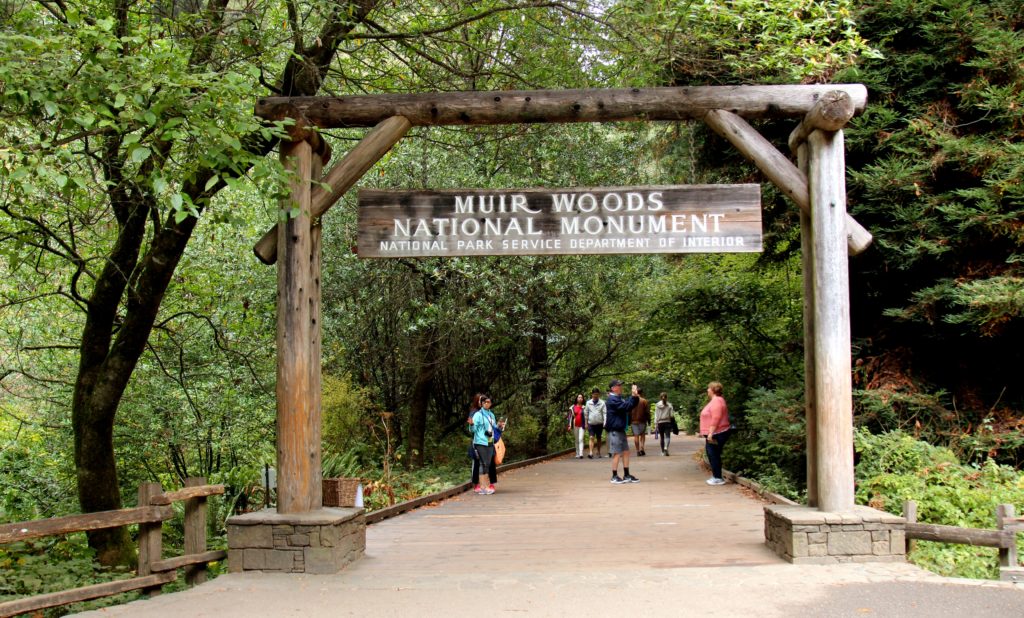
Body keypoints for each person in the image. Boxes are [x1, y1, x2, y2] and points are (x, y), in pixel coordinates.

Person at [605, 379, 639, 484]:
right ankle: (614, 476)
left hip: (620, 429)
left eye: (620, 385)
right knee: (617, 453)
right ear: (613, 388)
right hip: (615, 430)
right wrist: (633, 396)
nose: (621, 387)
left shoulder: (618, 398)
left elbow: (629, 404)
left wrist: (635, 396)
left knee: (625, 452)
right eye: (619, 385)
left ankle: (627, 475)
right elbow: (625, 407)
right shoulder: (612, 399)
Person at [700, 381, 732, 486]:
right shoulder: (716, 400)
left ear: (713, 390)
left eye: (709, 388)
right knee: (713, 454)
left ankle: (718, 477)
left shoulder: (717, 401)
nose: (707, 390)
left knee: (713, 455)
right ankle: (716, 476)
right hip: (716, 433)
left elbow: (716, 417)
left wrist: (710, 433)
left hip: (717, 433)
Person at [472, 395, 500, 494]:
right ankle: (484, 487)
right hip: (480, 442)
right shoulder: (478, 415)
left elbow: (495, 428)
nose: (487, 404)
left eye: (489, 402)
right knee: (482, 464)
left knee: (487, 464)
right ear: (482, 403)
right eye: (485, 402)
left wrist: (500, 427)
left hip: (490, 441)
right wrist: (471, 425)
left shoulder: (491, 415)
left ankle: (485, 486)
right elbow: (472, 430)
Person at [584, 388, 606, 459]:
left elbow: (605, 413)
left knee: (599, 438)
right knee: (591, 437)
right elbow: (586, 413)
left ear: (598, 394)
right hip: (591, 423)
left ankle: (598, 451)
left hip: (599, 423)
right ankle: (590, 452)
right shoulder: (588, 403)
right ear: (592, 394)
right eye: (594, 394)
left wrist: (605, 422)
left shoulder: (602, 402)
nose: (595, 396)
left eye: (597, 394)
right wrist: (586, 423)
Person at [630, 387, 650, 456]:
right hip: (642, 421)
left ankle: (637, 450)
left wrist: (629, 421)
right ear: (641, 393)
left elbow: (628, 411)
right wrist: (648, 420)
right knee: (642, 434)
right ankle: (642, 448)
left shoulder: (631, 401)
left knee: (636, 436)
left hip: (633, 421)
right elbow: (647, 412)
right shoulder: (644, 401)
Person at [568, 394, 587, 459]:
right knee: (576, 440)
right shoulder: (572, 407)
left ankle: (581, 453)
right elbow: (570, 417)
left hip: (582, 425)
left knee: (581, 439)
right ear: (576, 398)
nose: (580, 398)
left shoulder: (584, 407)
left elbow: (586, 416)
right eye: (579, 397)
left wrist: (587, 424)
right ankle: (577, 453)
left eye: (581, 397)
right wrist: (569, 425)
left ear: (583, 399)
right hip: (575, 425)